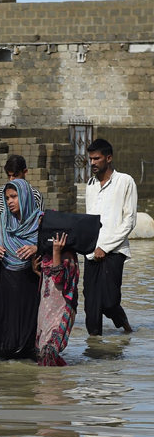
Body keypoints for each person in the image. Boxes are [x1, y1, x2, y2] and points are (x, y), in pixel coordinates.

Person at [0, 179, 42, 360]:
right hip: (6, 282)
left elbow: (56, 248)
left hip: (29, 283)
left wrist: (36, 248)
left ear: (24, 197)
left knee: (26, 332)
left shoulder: (41, 221)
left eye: (14, 197)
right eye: (7, 198)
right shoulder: (4, 221)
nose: (9, 201)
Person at [84, 139, 137, 336]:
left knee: (109, 302)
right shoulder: (90, 185)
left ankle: (126, 328)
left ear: (109, 158)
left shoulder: (125, 181)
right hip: (91, 251)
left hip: (114, 251)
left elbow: (129, 220)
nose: (93, 163)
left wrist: (104, 247)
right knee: (91, 307)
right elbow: (88, 220)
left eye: (96, 158)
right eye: (90, 159)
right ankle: (95, 351)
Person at [0, 155, 45, 312]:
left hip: (25, 255)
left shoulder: (34, 195)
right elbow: (1, 225)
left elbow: (38, 225)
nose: (11, 179)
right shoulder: (3, 192)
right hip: (4, 251)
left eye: (15, 175)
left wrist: (36, 247)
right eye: (8, 175)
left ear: (25, 173)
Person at [33, 232, 79, 366]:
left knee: (50, 350)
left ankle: (52, 384)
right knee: (43, 351)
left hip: (60, 310)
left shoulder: (67, 256)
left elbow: (59, 278)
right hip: (46, 310)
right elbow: (49, 280)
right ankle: (58, 380)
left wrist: (56, 252)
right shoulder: (46, 256)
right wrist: (36, 269)